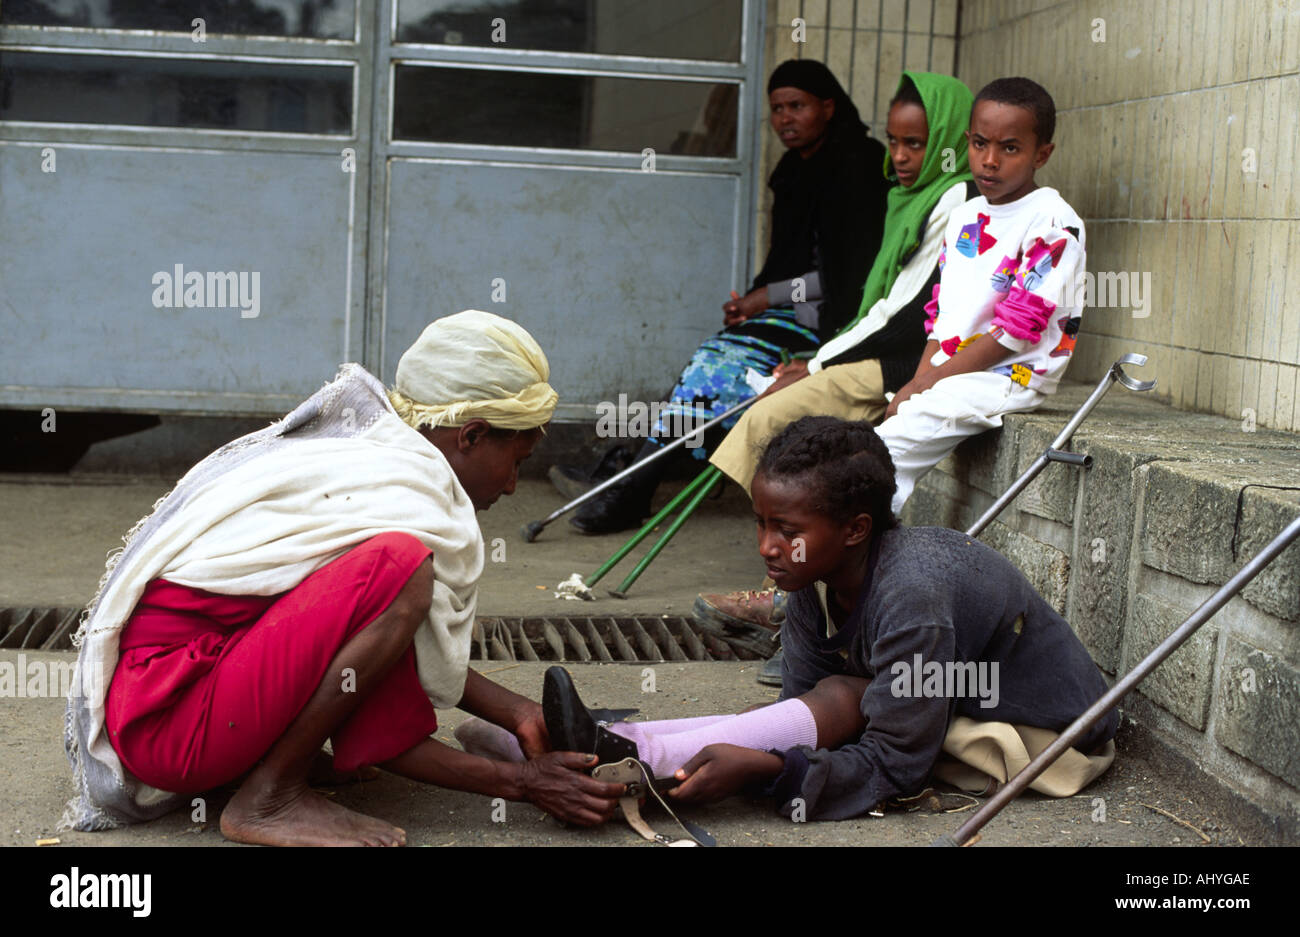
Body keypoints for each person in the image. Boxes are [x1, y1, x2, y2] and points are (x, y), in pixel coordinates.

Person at [60, 310, 627, 845]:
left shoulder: (377, 461)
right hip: (173, 725)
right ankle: (270, 796)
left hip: (172, 706)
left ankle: (272, 768)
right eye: (518, 461)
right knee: (399, 569)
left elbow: (369, 651)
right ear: (472, 435)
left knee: (393, 575)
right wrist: (521, 785)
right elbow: (381, 643)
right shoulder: (402, 491)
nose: (510, 486)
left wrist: (519, 713)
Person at [476, 417, 1117, 821]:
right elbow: (794, 715)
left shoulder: (913, 598)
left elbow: (897, 766)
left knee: (845, 695)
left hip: (1040, 723)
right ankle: (616, 751)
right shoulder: (814, 576)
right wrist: (762, 746)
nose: (765, 547)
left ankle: (638, 759)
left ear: (856, 529)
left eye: (786, 530)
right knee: (825, 702)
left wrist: (772, 774)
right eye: (760, 523)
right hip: (938, 698)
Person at [695, 71, 979, 674]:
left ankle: (786, 605)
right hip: (867, 350)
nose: (899, 158)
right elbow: (879, 300)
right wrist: (811, 348)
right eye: (895, 142)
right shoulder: (905, 195)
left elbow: (901, 312)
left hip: (902, 363)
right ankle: (794, 602)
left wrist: (817, 359)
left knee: (775, 422)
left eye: (916, 144)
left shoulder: (954, 202)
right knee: (779, 434)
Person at [561, 58, 889, 534]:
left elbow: (851, 277)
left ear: (828, 107)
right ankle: (637, 469)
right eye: (777, 109)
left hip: (842, 321)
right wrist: (758, 299)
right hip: (797, 310)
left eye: (797, 106)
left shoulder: (857, 165)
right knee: (710, 360)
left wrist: (764, 299)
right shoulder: (793, 170)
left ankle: (634, 484)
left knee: (716, 363)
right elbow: (790, 262)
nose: (785, 119)